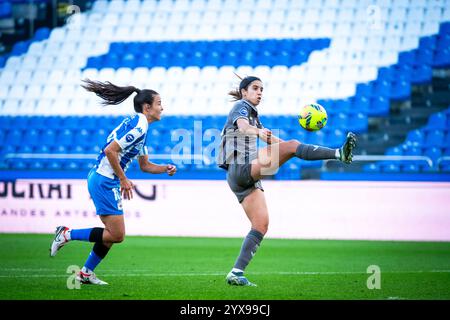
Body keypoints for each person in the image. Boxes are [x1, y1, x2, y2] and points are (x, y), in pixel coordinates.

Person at [218, 75, 356, 287]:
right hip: (241, 166)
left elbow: (274, 141)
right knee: (292, 146)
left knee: (260, 225)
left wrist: (295, 149)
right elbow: (244, 128)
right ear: (244, 91)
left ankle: (236, 272)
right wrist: (289, 146)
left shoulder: (254, 115)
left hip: (239, 178)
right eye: (255, 88)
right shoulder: (241, 107)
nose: (259, 92)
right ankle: (339, 154)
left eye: (262, 89)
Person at [49, 79, 177, 285]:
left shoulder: (140, 127)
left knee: (111, 234)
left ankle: (85, 273)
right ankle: (66, 234)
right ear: (147, 107)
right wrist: (123, 178)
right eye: (159, 103)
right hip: (104, 180)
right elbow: (110, 150)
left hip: (105, 179)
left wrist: (165, 168)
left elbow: (145, 166)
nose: (162, 107)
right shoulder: (139, 127)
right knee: (116, 235)